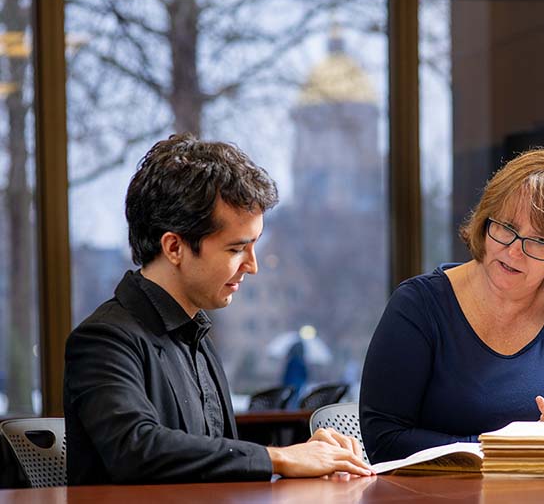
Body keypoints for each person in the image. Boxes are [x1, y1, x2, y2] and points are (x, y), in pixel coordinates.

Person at [64, 133, 374, 485]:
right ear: (175, 247)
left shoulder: (195, 332)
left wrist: (305, 454)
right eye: (235, 250)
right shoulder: (103, 339)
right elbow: (136, 450)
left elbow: (211, 457)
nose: (253, 266)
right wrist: (280, 458)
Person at [359, 148, 544, 464]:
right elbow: (383, 439)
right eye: (507, 228)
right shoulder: (419, 305)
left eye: (539, 241)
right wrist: (514, 446)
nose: (513, 252)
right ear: (487, 216)